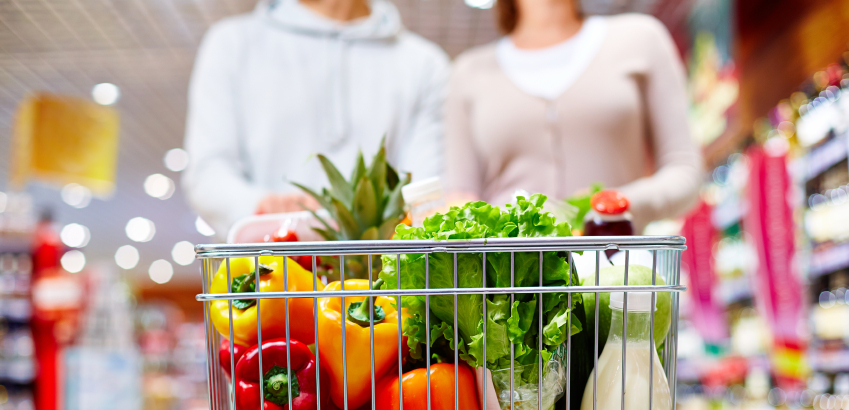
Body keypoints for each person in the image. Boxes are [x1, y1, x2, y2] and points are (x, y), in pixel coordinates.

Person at [184, 0, 449, 237]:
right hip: (269, 271)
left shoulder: (425, 63)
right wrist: (261, 204)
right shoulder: (232, 43)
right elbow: (207, 174)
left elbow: (424, 188)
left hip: (386, 281)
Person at [445, 0, 702, 233]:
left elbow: (684, 171)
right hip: (510, 277)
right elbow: (460, 198)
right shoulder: (468, 74)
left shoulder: (641, 40)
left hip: (616, 271)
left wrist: (613, 206)